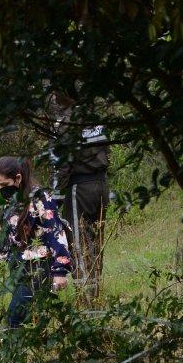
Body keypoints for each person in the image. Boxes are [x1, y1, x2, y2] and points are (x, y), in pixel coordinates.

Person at [0, 156, 72, 328]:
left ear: (18, 178)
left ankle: (11, 350)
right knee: (31, 318)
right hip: (18, 268)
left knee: (14, 317)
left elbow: (56, 234)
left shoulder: (41, 200)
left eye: (4, 184)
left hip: (40, 266)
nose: (1, 189)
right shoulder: (8, 205)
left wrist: (60, 270)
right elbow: (3, 238)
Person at [49, 95, 111, 294]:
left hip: (80, 188)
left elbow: (61, 165)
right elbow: (106, 150)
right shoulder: (95, 117)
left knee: (78, 241)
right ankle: (96, 289)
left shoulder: (66, 124)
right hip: (101, 185)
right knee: (96, 239)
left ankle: (86, 296)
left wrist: (54, 199)